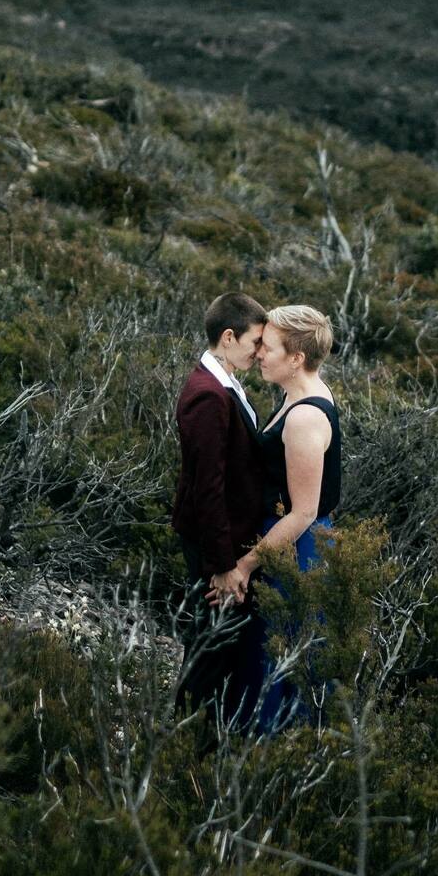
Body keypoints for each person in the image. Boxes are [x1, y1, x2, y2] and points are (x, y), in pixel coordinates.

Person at [211, 305, 341, 731]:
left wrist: (244, 567)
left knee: (279, 657)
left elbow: (304, 511)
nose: (259, 354)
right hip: (287, 545)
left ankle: (269, 762)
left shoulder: (305, 417)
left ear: (296, 358)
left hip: (297, 551)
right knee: (266, 655)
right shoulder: (296, 394)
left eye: (268, 347)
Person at [172, 292, 267, 730]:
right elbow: (206, 488)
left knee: (217, 643)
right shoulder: (208, 396)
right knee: (213, 646)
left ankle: (198, 736)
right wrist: (224, 567)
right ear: (228, 337)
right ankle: (187, 742)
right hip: (217, 548)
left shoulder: (223, 380)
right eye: (254, 342)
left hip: (225, 539)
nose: (259, 351)